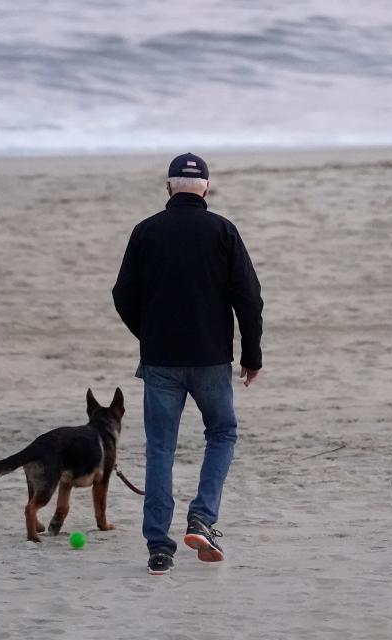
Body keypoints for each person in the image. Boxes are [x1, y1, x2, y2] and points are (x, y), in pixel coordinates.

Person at [112, 153, 263, 576]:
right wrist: (252, 356)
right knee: (222, 432)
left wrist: (149, 334)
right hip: (211, 358)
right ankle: (202, 519)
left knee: (161, 449)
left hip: (160, 359)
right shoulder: (222, 231)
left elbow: (123, 295)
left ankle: (159, 547)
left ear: (168, 188)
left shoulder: (146, 232)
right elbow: (249, 299)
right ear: (207, 189)